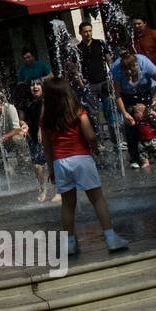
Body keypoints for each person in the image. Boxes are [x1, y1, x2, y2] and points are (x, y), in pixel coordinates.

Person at [40, 76, 128, 255]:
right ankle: (110, 238)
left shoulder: (46, 120)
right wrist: (94, 147)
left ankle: (70, 243)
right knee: (97, 199)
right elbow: (90, 135)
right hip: (81, 158)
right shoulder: (78, 112)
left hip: (60, 162)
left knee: (67, 205)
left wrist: (51, 170)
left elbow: (47, 149)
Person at [111, 50, 156, 164]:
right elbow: (117, 94)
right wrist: (124, 113)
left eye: (131, 70)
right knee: (131, 126)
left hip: (148, 92)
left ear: (136, 65)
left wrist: (154, 99)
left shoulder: (143, 62)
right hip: (128, 96)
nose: (129, 72)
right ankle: (134, 157)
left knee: (155, 123)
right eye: (126, 70)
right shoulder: (116, 69)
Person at [77, 21, 119, 149]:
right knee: (93, 115)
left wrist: (112, 75)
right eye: (85, 31)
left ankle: (117, 140)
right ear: (80, 33)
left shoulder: (100, 43)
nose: (88, 33)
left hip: (104, 82)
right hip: (89, 85)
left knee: (111, 110)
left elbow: (109, 60)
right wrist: (80, 82)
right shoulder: (78, 49)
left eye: (89, 30)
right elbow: (75, 68)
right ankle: (99, 141)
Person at [22, 80, 54, 202]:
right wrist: (23, 124)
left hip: (47, 136)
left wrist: (41, 129)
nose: (34, 86)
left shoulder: (47, 100)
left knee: (52, 163)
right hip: (34, 138)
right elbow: (22, 118)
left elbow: (44, 115)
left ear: (42, 87)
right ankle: (43, 189)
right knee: (37, 166)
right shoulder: (28, 103)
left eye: (37, 84)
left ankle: (59, 190)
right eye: (32, 85)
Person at [130, 103, 156, 168]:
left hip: (152, 139)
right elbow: (131, 123)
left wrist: (151, 112)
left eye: (136, 112)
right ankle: (146, 162)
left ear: (144, 113)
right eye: (134, 113)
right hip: (142, 141)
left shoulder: (148, 119)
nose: (134, 114)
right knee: (142, 152)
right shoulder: (136, 121)